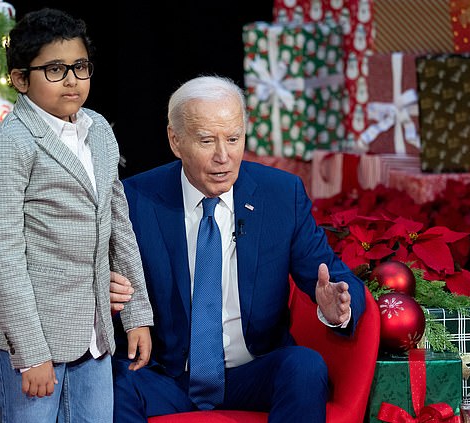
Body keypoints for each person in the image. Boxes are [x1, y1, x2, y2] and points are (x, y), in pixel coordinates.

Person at [110, 75, 366, 422]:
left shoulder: (281, 195)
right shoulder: (136, 199)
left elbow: (332, 276)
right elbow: (102, 279)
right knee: (113, 381)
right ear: (175, 140)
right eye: (206, 141)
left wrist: (338, 307)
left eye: (233, 139)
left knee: (304, 366)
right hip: (167, 375)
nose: (223, 156)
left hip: (252, 372)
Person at [0, 8, 153, 422]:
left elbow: (118, 223)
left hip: (94, 333)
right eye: (54, 69)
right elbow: (2, 259)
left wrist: (137, 312)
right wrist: (31, 352)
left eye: (80, 66)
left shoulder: (98, 128)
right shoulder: (7, 145)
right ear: (20, 79)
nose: (71, 79)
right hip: (33, 339)